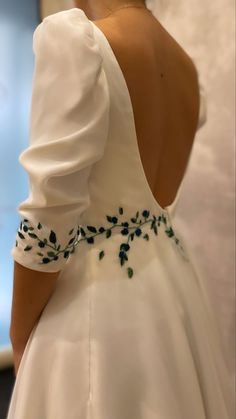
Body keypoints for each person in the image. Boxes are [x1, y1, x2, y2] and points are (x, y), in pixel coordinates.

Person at [7, 1, 233, 418]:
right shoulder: (183, 64)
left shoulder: (78, 43)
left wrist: (21, 339)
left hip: (96, 317)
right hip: (170, 296)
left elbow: (48, 221)